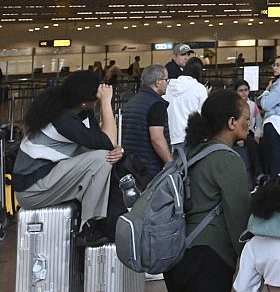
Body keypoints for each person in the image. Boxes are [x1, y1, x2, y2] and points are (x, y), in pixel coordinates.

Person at [163, 89, 252, 292]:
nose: (249, 123)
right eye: (246, 119)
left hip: (176, 252)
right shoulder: (228, 160)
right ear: (232, 122)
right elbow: (238, 216)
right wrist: (248, 261)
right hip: (210, 257)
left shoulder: (191, 151)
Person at [12, 71, 124, 244]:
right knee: (102, 159)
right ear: (86, 101)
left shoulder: (77, 113)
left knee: (103, 156)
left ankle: (94, 221)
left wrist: (117, 149)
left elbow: (104, 143)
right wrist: (107, 104)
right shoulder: (62, 120)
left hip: (46, 178)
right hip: (31, 190)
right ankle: (88, 227)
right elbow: (108, 142)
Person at [120, 64, 172, 178]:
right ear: (158, 82)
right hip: (149, 165)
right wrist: (170, 162)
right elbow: (157, 139)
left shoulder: (132, 101)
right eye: (166, 80)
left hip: (130, 164)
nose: (168, 83)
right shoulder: (156, 104)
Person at [164, 56, 208, 146]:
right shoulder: (199, 88)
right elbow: (203, 114)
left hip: (170, 137)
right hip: (191, 138)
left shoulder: (168, 86)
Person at [233, 80, 264, 187]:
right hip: (237, 132)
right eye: (240, 91)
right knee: (251, 145)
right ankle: (258, 174)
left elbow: (259, 122)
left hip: (250, 132)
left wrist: (257, 135)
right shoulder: (233, 106)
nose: (243, 93)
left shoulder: (252, 105)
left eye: (246, 90)